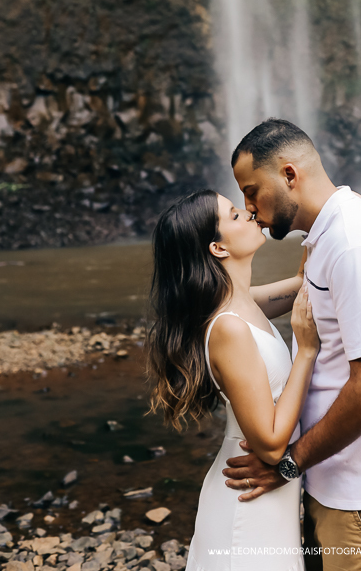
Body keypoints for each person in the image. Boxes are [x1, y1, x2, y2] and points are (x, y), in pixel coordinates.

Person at [223, 118, 361, 571]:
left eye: (251, 191)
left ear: (289, 175)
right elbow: (296, 298)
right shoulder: (327, 236)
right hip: (345, 487)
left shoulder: (353, 247)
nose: (248, 209)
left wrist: (290, 463)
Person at [147, 188, 319, 571]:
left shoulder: (243, 303)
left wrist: (313, 216)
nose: (249, 213)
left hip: (265, 494)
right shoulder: (229, 328)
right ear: (219, 248)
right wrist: (305, 352)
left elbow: (304, 285)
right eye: (235, 215)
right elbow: (273, 446)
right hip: (247, 502)